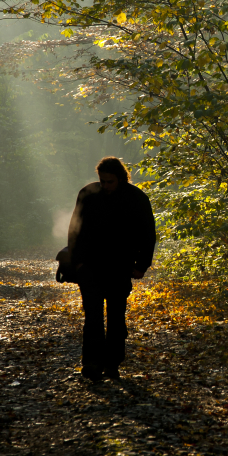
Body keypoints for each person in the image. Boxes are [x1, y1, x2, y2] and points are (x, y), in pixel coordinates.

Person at [67, 156, 156, 382]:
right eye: (103, 181)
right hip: (90, 266)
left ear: (121, 178)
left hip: (119, 267)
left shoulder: (136, 199)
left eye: (110, 182)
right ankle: (92, 363)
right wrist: (76, 261)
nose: (105, 185)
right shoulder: (88, 194)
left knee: (116, 317)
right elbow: (75, 227)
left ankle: (112, 364)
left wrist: (141, 265)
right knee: (93, 317)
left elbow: (148, 234)